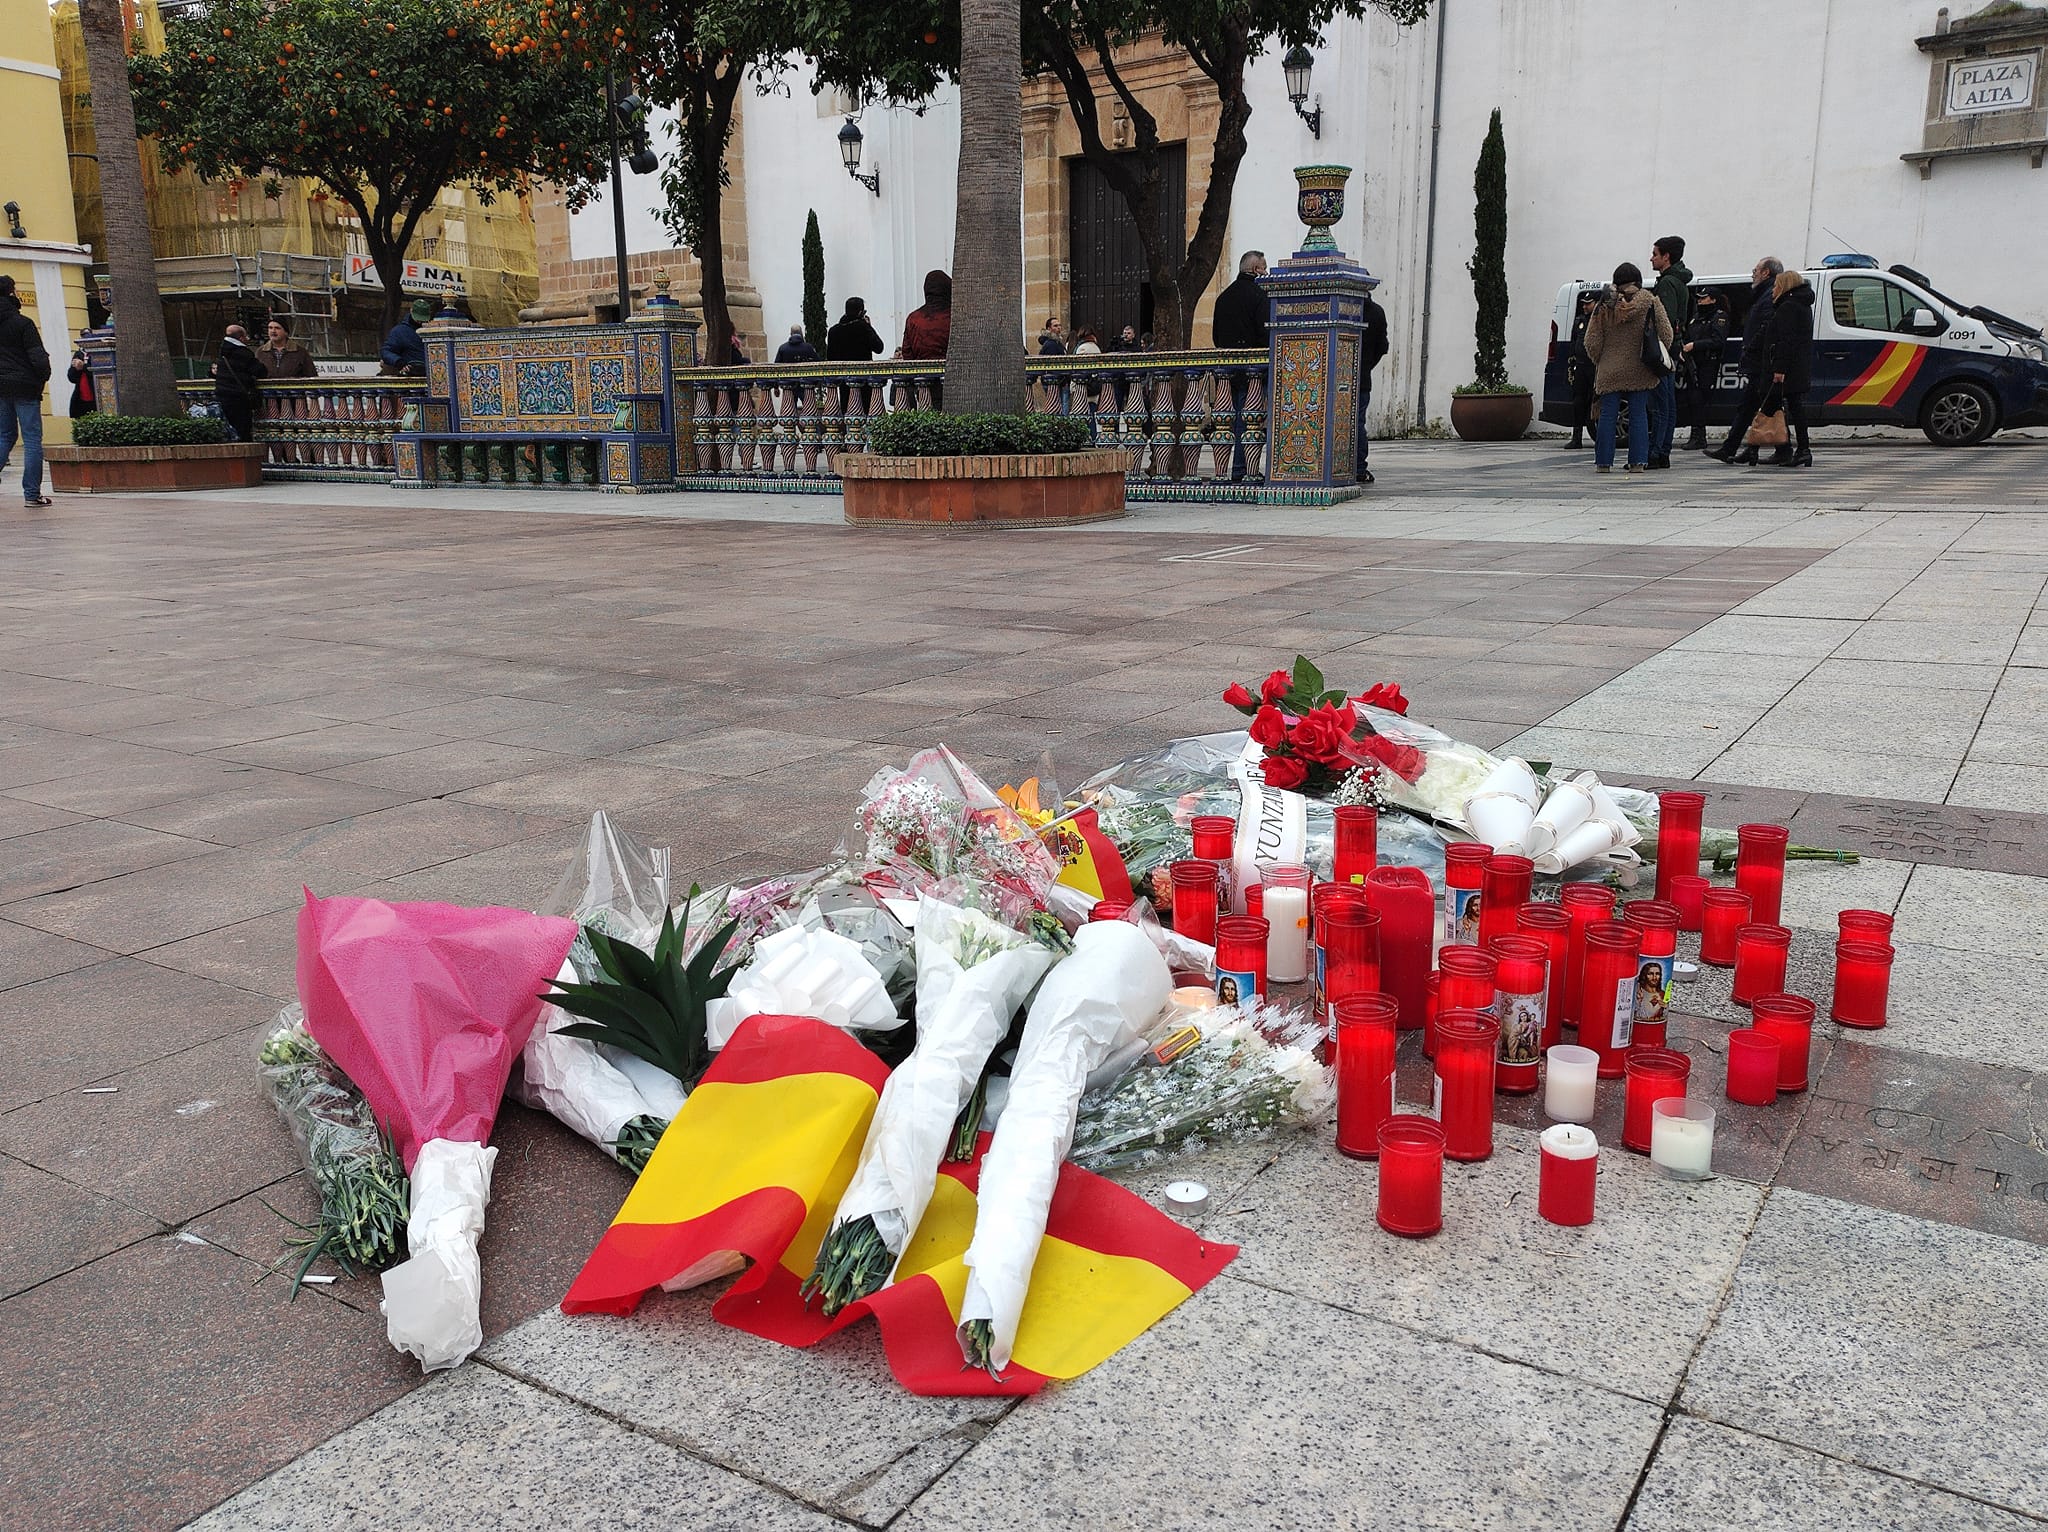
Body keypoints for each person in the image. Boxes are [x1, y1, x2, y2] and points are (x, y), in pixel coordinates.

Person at [1583, 262, 1673, 474]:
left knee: (1607, 415)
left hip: (1609, 368)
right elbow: (1667, 334)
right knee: (1639, 414)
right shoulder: (1651, 302)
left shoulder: (1604, 305)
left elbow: (1591, 341)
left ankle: (1603, 463)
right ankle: (1637, 463)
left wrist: (1601, 360)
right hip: (1639, 367)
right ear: (1638, 280)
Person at [1711, 256, 1783, 462]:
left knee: (1761, 407)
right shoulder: (1762, 294)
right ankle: (1740, 449)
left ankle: (1738, 448)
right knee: (1762, 407)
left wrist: (1752, 348)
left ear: (1766, 273)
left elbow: (1767, 328)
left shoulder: (1769, 295)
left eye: (1756, 270)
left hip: (1762, 362)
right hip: (1758, 362)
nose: (1753, 274)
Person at [0, 285, 52, 506]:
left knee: (4, 435)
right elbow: (38, 357)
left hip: (1, 387)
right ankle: (32, 494)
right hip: (25, 387)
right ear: (11, 294)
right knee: (31, 439)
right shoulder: (23, 323)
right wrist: (43, 377)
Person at [1646, 235, 1692, 468]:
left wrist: (1659, 345)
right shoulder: (1680, 281)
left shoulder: (1666, 283)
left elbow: (1666, 320)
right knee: (1669, 404)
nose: (1651, 258)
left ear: (1667, 257)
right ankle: (1663, 450)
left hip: (1664, 349)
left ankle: (1656, 452)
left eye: (1655, 254)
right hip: (1674, 348)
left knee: (1661, 404)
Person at [1764, 268, 1816, 468]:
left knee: (1794, 407)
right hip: (1799, 364)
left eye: (1776, 286)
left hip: (1789, 367)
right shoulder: (1802, 305)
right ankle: (1799, 449)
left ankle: (1801, 449)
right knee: (1795, 407)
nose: (1773, 290)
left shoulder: (1788, 307)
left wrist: (1780, 368)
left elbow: (1786, 340)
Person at [1678, 289, 1729, 450]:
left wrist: (1695, 346)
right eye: (1698, 299)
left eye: (1703, 298)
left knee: (1699, 398)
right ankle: (1696, 434)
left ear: (1713, 300)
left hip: (1707, 364)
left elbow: (1718, 341)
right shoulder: (1696, 317)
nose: (1700, 301)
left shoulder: (1719, 316)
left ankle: (1699, 437)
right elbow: (1688, 336)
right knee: (1693, 399)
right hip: (1693, 363)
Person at [1356, 285, 1390, 484]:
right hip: (1363, 377)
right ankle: (1359, 467)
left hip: (1335, 378)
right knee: (1358, 423)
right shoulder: (1376, 311)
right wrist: (1367, 365)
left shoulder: (1349, 309)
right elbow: (1382, 346)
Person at [210, 323, 264, 443]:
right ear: (241, 338)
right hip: (238, 398)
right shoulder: (242, 353)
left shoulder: (222, 351)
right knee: (243, 430)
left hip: (221, 396)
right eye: (246, 337)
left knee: (228, 431)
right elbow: (260, 371)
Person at [1564, 288, 1600, 448]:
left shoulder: (1599, 320)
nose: (1585, 307)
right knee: (1578, 401)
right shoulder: (1580, 320)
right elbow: (1573, 343)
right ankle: (1576, 436)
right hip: (1581, 367)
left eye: (1588, 304)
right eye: (1583, 304)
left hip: (1595, 366)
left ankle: (1600, 436)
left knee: (1596, 401)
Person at [1211, 250, 1269, 349]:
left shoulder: (1223, 297)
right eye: (1264, 269)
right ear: (1255, 269)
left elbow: (1216, 336)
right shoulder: (1260, 295)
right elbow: (1264, 333)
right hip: (1254, 359)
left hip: (1226, 359)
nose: (1266, 273)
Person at [900, 269, 952, 360]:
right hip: (952, 372)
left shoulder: (913, 319)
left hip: (920, 373)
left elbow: (907, 354)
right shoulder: (954, 318)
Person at [380, 298, 431, 376]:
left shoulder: (432, 330)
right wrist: (398, 362)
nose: (420, 322)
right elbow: (386, 351)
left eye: (423, 319)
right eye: (418, 319)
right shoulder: (399, 331)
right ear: (411, 311)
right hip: (411, 374)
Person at [825, 297, 884, 362]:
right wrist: (869, 326)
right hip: (862, 370)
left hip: (841, 371)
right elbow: (879, 348)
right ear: (860, 313)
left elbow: (830, 357)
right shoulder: (864, 329)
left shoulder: (833, 331)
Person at [66, 343, 98, 419]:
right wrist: (75, 368)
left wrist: (84, 366)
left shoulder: (97, 353)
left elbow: (98, 372)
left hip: (96, 397)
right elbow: (72, 378)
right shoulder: (79, 354)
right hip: (81, 399)